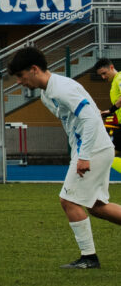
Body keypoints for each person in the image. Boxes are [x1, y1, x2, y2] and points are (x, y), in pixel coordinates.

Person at [7, 47, 121, 269]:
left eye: (21, 75)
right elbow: (85, 117)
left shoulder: (61, 89)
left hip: (93, 149)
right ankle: (88, 257)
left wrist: (84, 156)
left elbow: (90, 118)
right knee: (97, 206)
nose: (19, 82)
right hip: (92, 147)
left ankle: (89, 258)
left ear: (34, 69)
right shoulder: (47, 93)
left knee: (68, 201)